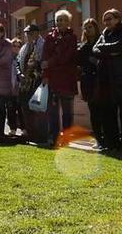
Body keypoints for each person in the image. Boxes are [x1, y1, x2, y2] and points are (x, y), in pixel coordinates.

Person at [93, 9, 122, 153]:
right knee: (108, 114)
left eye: (109, 19)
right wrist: (110, 52)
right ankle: (112, 144)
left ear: (118, 19)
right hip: (107, 79)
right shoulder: (104, 33)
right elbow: (94, 49)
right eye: (105, 20)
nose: (106, 22)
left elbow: (119, 46)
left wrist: (104, 50)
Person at [42, 10, 80, 146]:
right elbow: (44, 57)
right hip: (53, 79)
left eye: (63, 20)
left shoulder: (72, 37)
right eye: (58, 20)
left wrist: (49, 63)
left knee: (67, 112)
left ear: (68, 22)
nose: (60, 22)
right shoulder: (49, 37)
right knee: (52, 111)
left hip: (67, 79)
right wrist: (45, 75)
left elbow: (66, 56)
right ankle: (53, 136)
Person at [79, 19, 107, 149]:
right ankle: (98, 139)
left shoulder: (102, 43)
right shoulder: (83, 47)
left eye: (90, 27)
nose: (88, 30)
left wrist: (95, 61)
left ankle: (107, 139)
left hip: (101, 82)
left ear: (95, 28)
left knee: (103, 111)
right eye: (86, 28)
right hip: (88, 83)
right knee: (94, 112)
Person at [18, 24, 46, 143]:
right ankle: (30, 134)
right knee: (25, 108)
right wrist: (20, 74)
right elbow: (18, 62)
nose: (28, 35)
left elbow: (42, 63)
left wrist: (33, 74)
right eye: (26, 33)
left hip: (36, 82)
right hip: (24, 83)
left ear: (36, 33)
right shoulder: (24, 48)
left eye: (30, 33)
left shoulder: (42, 46)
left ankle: (40, 135)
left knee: (37, 109)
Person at [6, 37, 25, 136]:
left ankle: (24, 128)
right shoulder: (7, 58)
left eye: (18, 46)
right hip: (9, 87)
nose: (16, 48)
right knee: (10, 108)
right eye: (14, 45)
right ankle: (12, 128)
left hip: (20, 87)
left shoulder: (22, 58)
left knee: (21, 109)